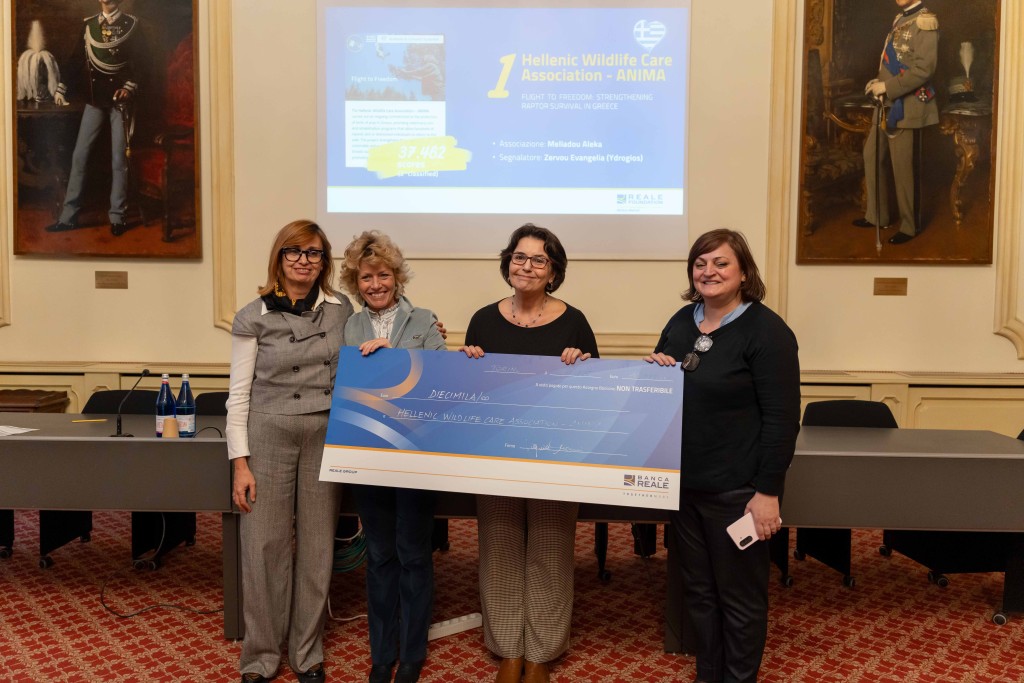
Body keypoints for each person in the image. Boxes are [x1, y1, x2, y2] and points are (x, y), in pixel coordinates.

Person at [645, 229, 800, 683]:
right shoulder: (681, 321)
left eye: (720, 263)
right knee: (698, 594)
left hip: (738, 493)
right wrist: (654, 372)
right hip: (685, 487)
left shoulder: (768, 332)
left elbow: (782, 421)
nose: (708, 272)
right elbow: (665, 393)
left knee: (740, 600)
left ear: (744, 271)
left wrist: (767, 493)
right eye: (700, 263)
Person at [460, 224, 598, 683]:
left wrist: (582, 365)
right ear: (508, 263)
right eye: (519, 257)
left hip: (556, 458)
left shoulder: (574, 321)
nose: (527, 266)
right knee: (498, 545)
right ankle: (507, 649)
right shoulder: (483, 319)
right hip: (495, 456)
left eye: (539, 260)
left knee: (551, 548)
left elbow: (594, 395)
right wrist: (466, 362)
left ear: (553, 271)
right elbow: (471, 390)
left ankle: (540, 652)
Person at [227, 219, 354, 683]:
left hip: (324, 435)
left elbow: (378, 340)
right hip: (268, 433)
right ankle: (260, 656)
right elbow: (238, 395)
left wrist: (426, 331)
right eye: (294, 251)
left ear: (324, 262)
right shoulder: (253, 315)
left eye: (314, 253)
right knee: (264, 546)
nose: (304, 260)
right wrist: (240, 463)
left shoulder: (342, 309)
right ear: (279, 258)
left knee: (318, 546)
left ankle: (307, 652)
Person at [339, 231, 446, 683]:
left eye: (383, 275)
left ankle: (413, 652)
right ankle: (382, 654)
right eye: (366, 278)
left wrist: (395, 359)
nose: (375, 284)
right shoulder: (350, 327)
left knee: (413, 553)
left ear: (397, 277)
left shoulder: (424, 320)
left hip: (416, 454)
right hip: (368, 452)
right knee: (381, 554)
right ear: (355, 283)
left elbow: (441, 379)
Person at [47, 0, 143, 236]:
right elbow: (75, 59)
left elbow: (143, 63)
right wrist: (61, 88)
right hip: (94, 99)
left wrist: (128, 88)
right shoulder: (89, 25)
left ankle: (117, 216)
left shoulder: (131, 25)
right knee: (79, 156)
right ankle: (68, 217)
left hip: (119, 101)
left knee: (118, 159)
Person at [854, 0, 939, 245]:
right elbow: (891, 61)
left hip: (907, 105)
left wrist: (887, 87)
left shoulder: (926, 21)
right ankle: (877, 216)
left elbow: (924, 69)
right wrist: (878, 81)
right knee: (872, 155)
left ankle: (910, 226)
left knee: (903, 167)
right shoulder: (900, 19)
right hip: (886, 102)